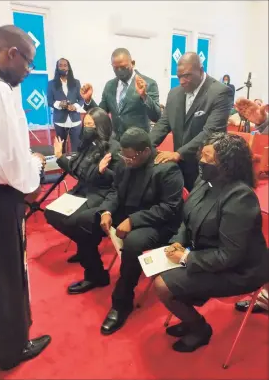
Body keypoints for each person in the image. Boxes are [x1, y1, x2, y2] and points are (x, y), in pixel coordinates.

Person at [0, 25, 51, 370]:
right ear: (12, 54)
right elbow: (9, 165)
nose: (29, 70)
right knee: (4, 272)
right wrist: (34, 167)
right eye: (29, 62)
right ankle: (10, 348)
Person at [154, 133, 269, 353]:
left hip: (240, 270)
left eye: (208, 158)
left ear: (227, 164)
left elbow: (230, 255)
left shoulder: (239, 197)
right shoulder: (204, 182)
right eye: (202, 155)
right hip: (208, 255)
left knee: (163, 285)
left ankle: (199, 328)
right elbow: (186, 222)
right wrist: (178, 243)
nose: (201, 162)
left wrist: (187, 258)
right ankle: (189, 319)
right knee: (159, 271)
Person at [66, 127, 184, 335]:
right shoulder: (124, 163)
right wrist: (106, 211)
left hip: (158, 223)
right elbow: (115, 192)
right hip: (127, 213)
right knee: (83, 221)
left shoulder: (167, 170)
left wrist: (133, 220)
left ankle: (122, 302)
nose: (127, 161)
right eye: (124, 156)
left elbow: (170, 208)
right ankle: (95, 274)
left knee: (133, 244)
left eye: (131, 157)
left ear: (146, 151)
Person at [45, 107, 121, 263]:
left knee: (75, 221)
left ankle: (89, 253)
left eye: (90, 125)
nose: (86, 128)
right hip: (81, 190)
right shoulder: (86, 143)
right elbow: (77, 171)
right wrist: (60, 157)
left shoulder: (114, 147)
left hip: (100, 194)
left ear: (100, 126)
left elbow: (117, 181)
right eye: (85, 124)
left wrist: (101, 172)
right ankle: (86, 244)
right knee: (51, 213)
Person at [150, 52, 231, 191]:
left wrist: (179, 153)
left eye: (187, 75)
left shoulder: (220, 92)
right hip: (179, 168)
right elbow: (163, 124)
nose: (182, 81)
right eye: (179, 76)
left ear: (200, 70)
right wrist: (144, 146)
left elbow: (210, 132)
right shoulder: (174, 93)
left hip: (206, 168)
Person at [80, 48, 161, 140]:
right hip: (115, 142)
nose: (119, 71)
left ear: (133, 63)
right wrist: (88, 100)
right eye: (115, 68)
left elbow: (156, 116)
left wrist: (144, 96)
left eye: (123, 67)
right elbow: (101, 114)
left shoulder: (149, 83)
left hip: (138, 143)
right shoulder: (109, 85)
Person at [47, 58, 84, 153]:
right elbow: (50, 101)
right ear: (57, 67)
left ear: (68, 67)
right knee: (61, 151)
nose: (63, 67)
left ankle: (75, 167)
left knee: (77, 150)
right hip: (59, 121)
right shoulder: (51, 84)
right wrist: (60, 104)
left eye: (65, 65)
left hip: (75, 121)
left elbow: (81, 99)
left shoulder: (76, 83)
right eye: (60, 65)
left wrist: (75, 106)